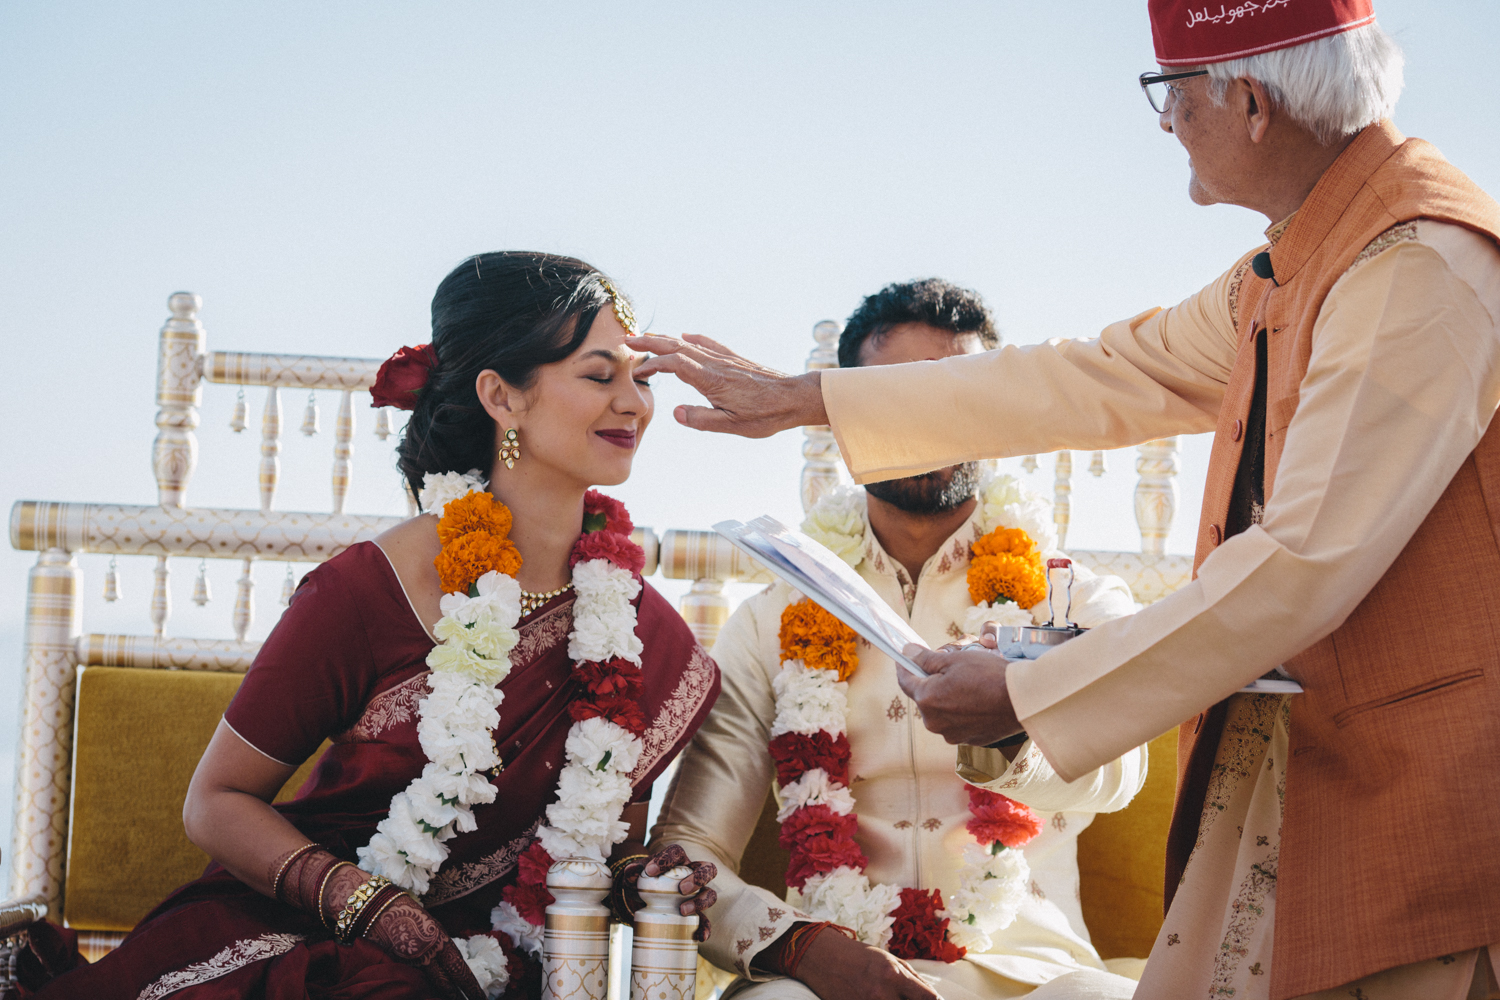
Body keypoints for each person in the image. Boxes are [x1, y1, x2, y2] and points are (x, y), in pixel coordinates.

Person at [633, 4, 1500, 998]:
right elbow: (1097, 376)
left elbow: (1299, 567)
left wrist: (1021, 698)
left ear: (1250, 103)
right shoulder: (1293, 266)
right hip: (1322, 793)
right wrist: (810, 400)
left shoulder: (1413, 264)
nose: (1163, 121)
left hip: (1426, 801)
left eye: (1167, 92)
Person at [36, 253, 721, 1000]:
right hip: (297, 949)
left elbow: (596, 850)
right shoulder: (373, 588)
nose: (635, 405)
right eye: (600, 376)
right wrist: (365, 903)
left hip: (492, 973)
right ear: (502, 396)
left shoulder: (645, 633)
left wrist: (643, 881)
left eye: (642, 377)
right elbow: (216, 802)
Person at [650, 279, 1147, 1000]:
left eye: (956, 392)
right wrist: (802, 948)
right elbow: (687, 850)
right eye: (896, 399)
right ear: (850, 416)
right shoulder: (771, 617)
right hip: (833, 977)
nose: (928, 422)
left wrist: (1012, 725)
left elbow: (1122, 773)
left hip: (1036, 976)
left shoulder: (1070, 598)